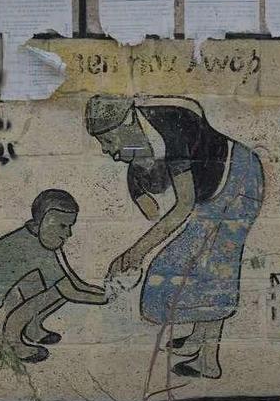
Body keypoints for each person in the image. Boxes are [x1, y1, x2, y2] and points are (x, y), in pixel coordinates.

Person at [86, 95, 264, 379]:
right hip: (214, 191)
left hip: (239, 179)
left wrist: (136, 252)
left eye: (109, 141)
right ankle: (197, 339)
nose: (108, 151)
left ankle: (208, 361)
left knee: (212, 268)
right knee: (200, 261)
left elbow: (183, 206)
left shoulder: (169, 131)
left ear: (127, 123)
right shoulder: (140, 138)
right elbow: (153, 207)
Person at [0, 189, 107, 363]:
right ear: (43, 221)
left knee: (52, 284)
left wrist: (103, 291)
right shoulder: (32, 246)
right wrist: (105, 298)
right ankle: (14, 343)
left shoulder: (37, 238)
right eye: (62, 226)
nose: (68, 234)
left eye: (70, 226)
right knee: (58, 290)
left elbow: (72, 281)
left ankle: (32, 329)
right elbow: (69, 290)